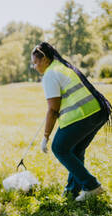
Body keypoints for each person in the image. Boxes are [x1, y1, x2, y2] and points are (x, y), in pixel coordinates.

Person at [31, 42, 111, 201]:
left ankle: (92, 185)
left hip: (84, 115)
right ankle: (72, 192)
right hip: (97, 112)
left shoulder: (50, 74)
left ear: (44, 58)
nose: (34, 66)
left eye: (35, 62)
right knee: (75, 151)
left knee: (59, 147)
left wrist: (46, 137)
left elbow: (53, 110)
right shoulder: (61, 67)